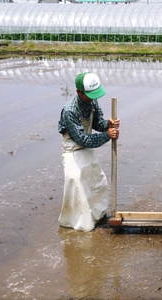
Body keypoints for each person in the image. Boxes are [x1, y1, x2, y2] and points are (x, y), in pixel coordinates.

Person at [58, 72, 120, 232]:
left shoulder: (92, 101)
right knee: (76, 183)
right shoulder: (69, 111)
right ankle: (78, 223)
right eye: (89, 95)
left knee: (96, 181)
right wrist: (108, 135)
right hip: (73, 149)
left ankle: (97, 216)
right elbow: (83, 139)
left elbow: (97, 123)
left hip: (86, 148)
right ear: (79, 92)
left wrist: (107, 124)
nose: (93, 98)